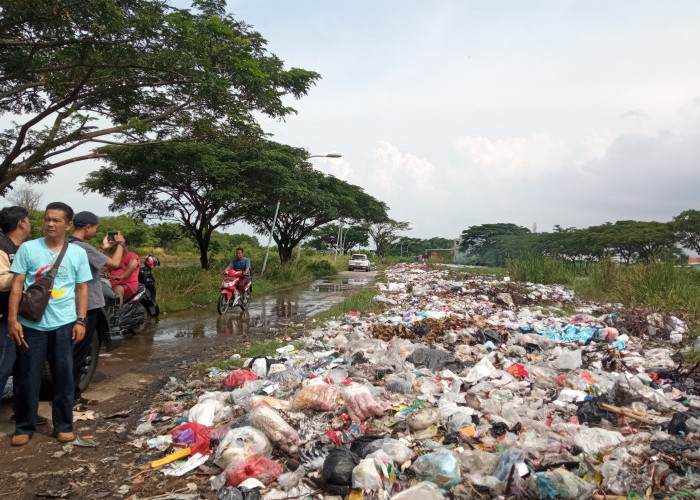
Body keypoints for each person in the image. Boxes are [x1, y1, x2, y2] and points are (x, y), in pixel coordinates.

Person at [7, 202, 91, 446]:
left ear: (67, 224)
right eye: (47, 219)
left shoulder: (77, 253)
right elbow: (16, 286)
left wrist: (81, 320)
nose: (50, 224)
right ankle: (24, 426)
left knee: (64, 377)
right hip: (31, 324)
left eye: (56, 220)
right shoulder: (28, 249)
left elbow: (82, 288)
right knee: (27, 378)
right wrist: (13, 320)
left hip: (64, 324)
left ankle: (64, 426)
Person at [68, 212, 125, 406]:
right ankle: (72, 395)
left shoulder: (68, 245)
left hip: (69, 304)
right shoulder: (83, 246)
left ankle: (71, 393)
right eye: (95, 227)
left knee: (72, 351)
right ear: (87, 227)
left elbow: (96, 267)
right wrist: (121, 245)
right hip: (88, 305)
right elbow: (114, 264)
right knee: (79, 352)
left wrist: (103, 247)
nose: (95, 230)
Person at [0, 207, 32, 410]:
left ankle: (23, 413)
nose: (30, 224)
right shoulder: (2, 246)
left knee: (25, 369)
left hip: (25, 318)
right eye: (28, 220)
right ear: (21, 223)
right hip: (5, 320)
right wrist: (26, 275)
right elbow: (1, 281)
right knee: (2, 367)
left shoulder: (24, 248)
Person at [107, 236, 139, 307]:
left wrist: (120, 277)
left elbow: (131, 267)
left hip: (128, 284)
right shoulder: (112, 258)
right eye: (117, 245)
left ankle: (116, 314)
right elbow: (102, 267)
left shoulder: (132, 256)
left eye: (121, 244)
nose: (118, 246)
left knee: (117, 289)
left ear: (127, 246)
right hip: (111, 284)